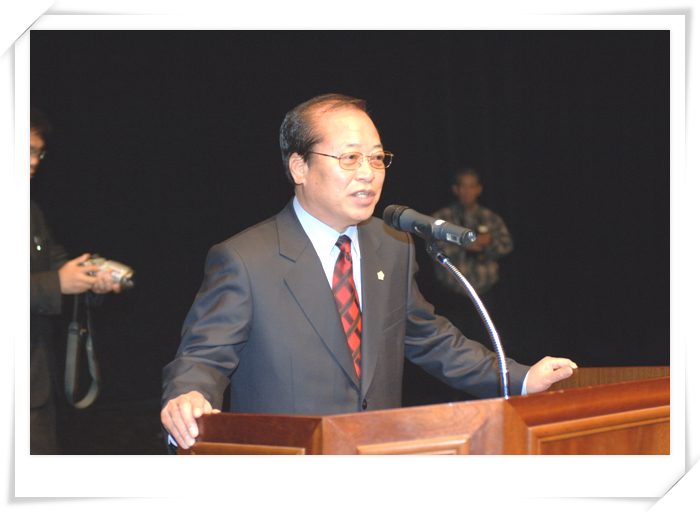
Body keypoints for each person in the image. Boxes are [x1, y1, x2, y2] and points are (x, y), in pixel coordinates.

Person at [161, 94, 577, 451]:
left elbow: (429, 338)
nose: (368, 172)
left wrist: (520, 378)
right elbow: (203, 358)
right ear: (299, 167)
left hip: (379, 456)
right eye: (350, 158)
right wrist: (187, 396)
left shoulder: (391, 245)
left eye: (377, 158)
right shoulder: (246, 259)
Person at [30, 107, 120, 454]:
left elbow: (57, 263)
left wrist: (92, 277)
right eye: (26, 150)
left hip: (33, 386)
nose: (34, 161)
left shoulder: (29, 210)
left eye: (39, 153)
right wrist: (57, 283)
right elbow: (55, 278)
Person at [430, 167, 514, 340]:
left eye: (471, 186)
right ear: (456, 189)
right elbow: (431, 246)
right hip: (452, 295)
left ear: (479, 189)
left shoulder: (490, 218)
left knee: (485, 341)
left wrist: (487, 243)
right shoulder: (443, 217)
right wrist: (462, 245)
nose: (467, 191)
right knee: (452, 341)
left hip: (485, 294)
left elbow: (507, 245)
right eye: (463, 186)